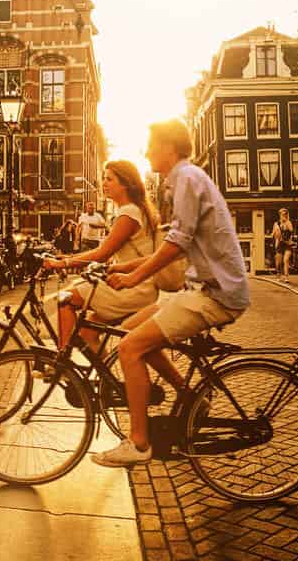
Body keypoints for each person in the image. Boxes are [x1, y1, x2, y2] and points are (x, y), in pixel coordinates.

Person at [95, 119, 250, 467]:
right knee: (129, 330)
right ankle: (191, 394)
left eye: (151, 145)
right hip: (204, 288)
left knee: (129, 347)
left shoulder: (186, 179)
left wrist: (135, 275)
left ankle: (138, 444)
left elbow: (177, 241)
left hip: (217, 294)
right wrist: (126, 269)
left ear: (169, 147)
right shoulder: (182, 179)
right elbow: (177, 242)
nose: (147, 151)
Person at [44, 161, 160, 351]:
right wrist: (68, 259)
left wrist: (61, 263)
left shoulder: (128, 213)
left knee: (65, 298)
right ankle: (106, 380)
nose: (104, 183)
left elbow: (102, 253)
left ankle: (63, 363)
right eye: (103, 179)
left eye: (109, 179)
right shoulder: (138, 209)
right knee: (88, 334)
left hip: (134, 287)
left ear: (125, 184)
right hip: (139, 284)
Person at [271, 209, 295, 283]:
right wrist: (276, 233)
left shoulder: (289, 222)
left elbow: (291, 230)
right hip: (280, 243)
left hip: (287, 243)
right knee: (279, 261)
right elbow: (273, 234)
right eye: (282, 214)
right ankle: (278, 274)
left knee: (286, 260)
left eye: (285, 214)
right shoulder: (276, 223)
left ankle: (286, 276)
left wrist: (286, 222)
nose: (284, 216)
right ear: (280, 215)